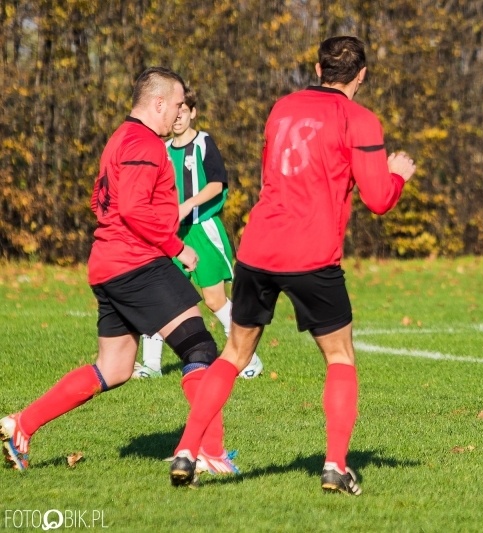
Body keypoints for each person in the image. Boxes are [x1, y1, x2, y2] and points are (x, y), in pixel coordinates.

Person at [166, 36, 416, 494]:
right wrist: (398, 173)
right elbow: (379, 200)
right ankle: (335, 465)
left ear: (318, 71)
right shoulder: (359, 119)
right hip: (312, 253)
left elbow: (270, 172)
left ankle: (187, 450)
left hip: (258, 248)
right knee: (339, 356)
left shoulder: (281, 108)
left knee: (234, 354)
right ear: (361, 76)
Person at [0, 67, 238, 479]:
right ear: (159, 103)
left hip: (109, 262)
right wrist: (175, 246)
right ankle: (208, 452)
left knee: (114, 368)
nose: (181, 112)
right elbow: (131, 207)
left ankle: (21, 424)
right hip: (137, 263)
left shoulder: (118, 139)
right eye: (179, 104)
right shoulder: (144, 142)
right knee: (199, 347)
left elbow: (100, 201)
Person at [133, 88, 264, 380]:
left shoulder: (204, 143)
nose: (178, 117)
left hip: (202, 230)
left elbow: (217, 185)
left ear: (193, 112)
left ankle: (249, 358)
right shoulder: (162, 149)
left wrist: (187, 205)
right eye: (175, 111)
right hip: (172, 234)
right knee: (160, 296)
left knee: (214, 299)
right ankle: (151, 365)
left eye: (184, 111)